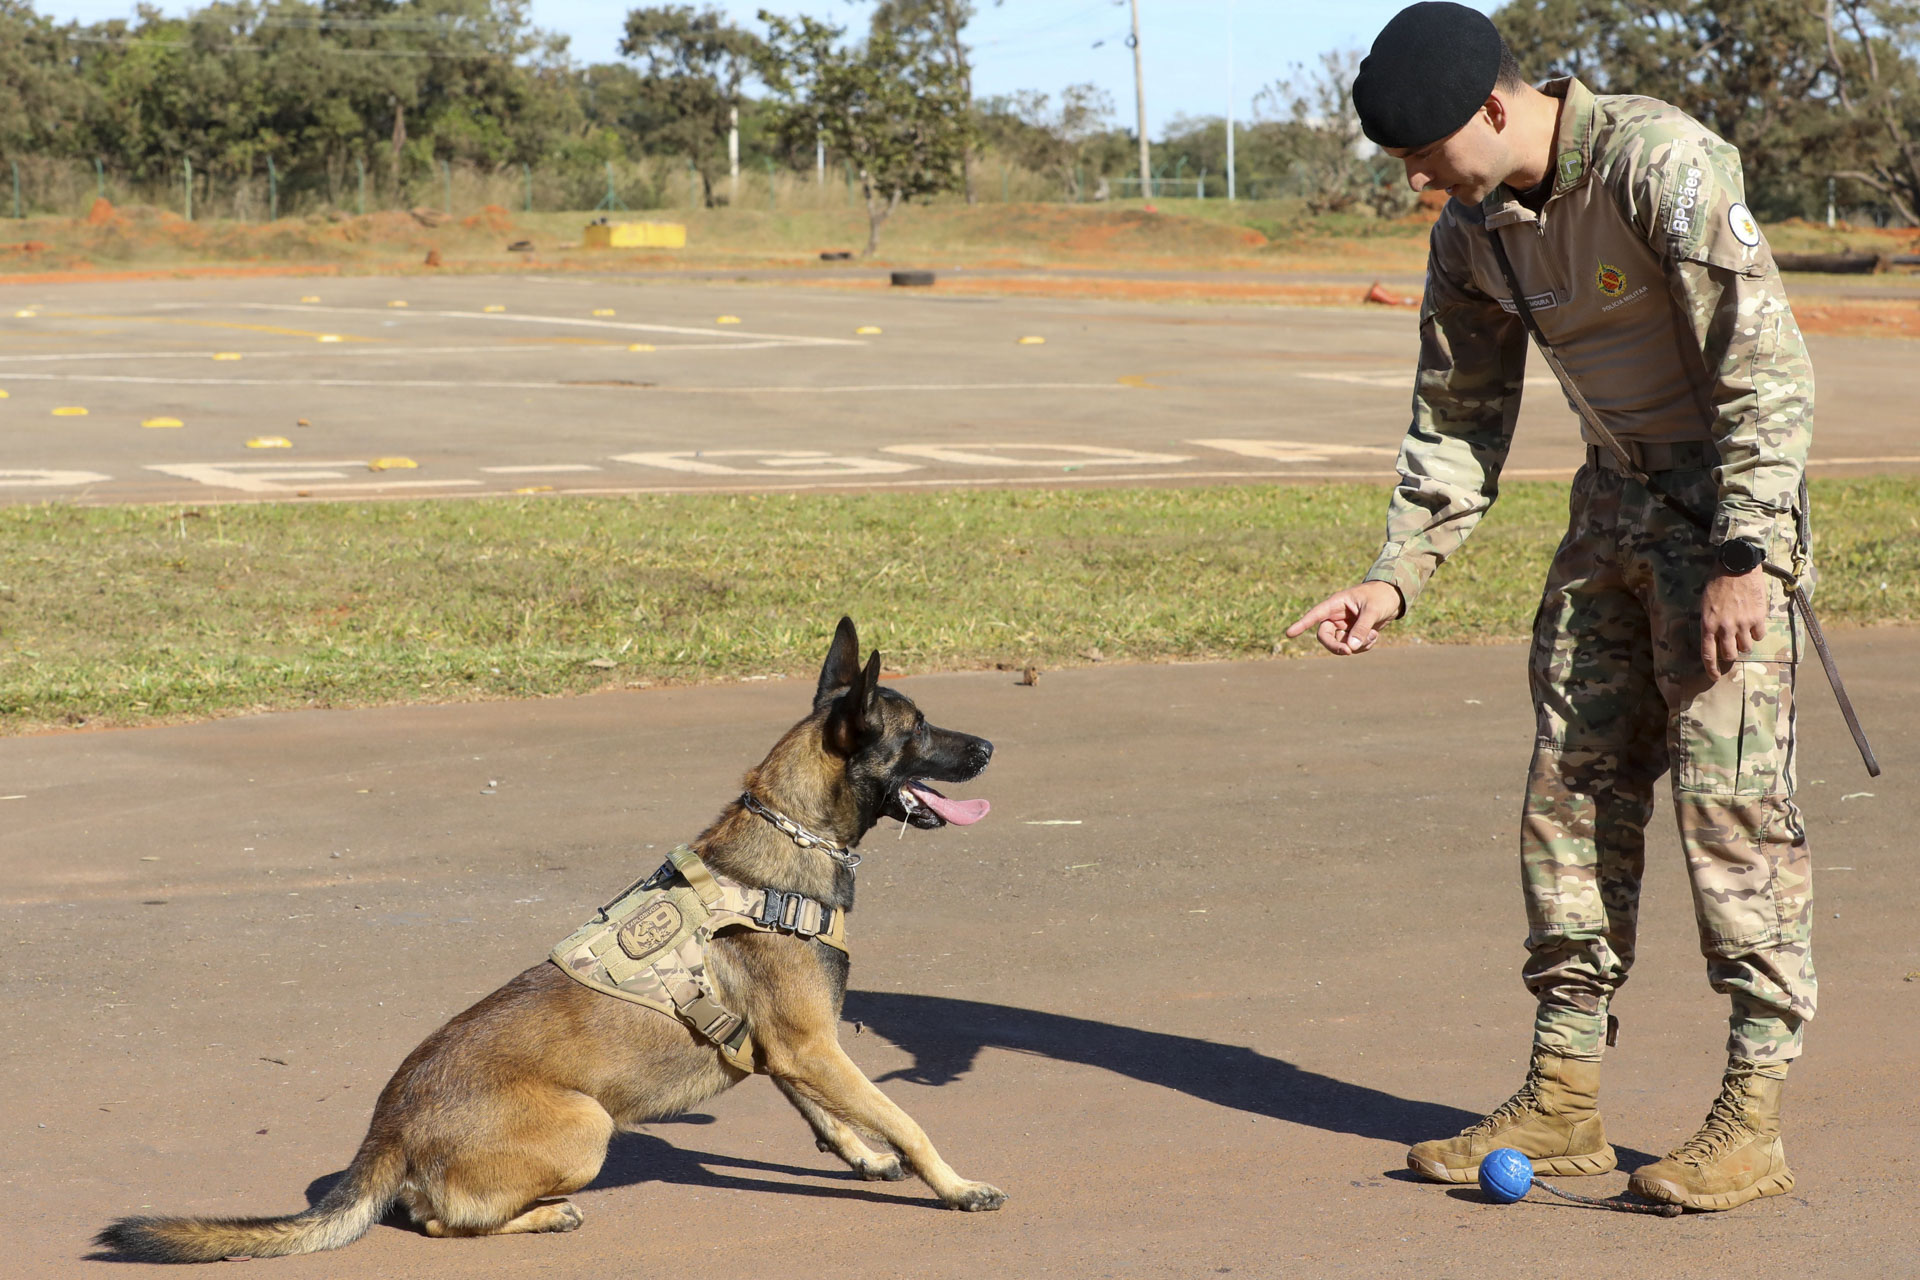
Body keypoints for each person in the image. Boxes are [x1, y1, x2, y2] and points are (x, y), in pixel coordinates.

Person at [1285, 2, 1816, 1211]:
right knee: (1569, 793)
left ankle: (1755, 1110)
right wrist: (1396, 572)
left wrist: (1748, 554)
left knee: (1736, 808)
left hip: (1721, 515)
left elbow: (1764, 364)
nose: (1418, 176)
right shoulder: (1475, 231)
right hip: (1611, 511)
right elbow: (1458, 413)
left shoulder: (1657, 161)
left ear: (1494, 106)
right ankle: (1565, 1091)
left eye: (1425, 150)